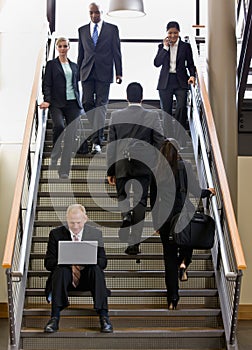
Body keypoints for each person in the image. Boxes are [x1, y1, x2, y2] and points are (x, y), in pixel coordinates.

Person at [155, 139, 215, 310]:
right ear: (178, 150)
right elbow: (195, 191)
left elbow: (154, 201)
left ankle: (172, 299)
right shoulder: (185, 166)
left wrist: (157, 223)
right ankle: (184, 261)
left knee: (169, 259)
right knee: (188, 241)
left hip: (166, 220)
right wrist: (208, 192)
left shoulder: (157, 170)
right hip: (184, 216)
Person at [107, 82, 164, 255]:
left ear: (126, 97)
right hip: (144, 164)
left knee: (122, 195)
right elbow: (160, 141)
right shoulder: (152, 116)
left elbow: (111, 145)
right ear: (142, 98)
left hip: (122, 162)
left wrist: (111, 170)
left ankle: (125, 216)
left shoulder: (116, 115)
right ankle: (134, 244)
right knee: (140, 201)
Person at [44, 204, 113, 333]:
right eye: (71, 223)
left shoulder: (95, 233)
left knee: (96, 270)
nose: (75, 226)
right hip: (65, 279)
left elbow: (103, 262)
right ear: (66, 220)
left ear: (85, 219)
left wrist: (87, 260)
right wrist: (66, 261)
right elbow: (48, 263)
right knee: (60, 270)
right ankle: (54, 318)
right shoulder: (56, 234)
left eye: (78, 222)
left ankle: (104, 317)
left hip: (87, 278)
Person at [77, 2, 123, 154]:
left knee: (101, 105)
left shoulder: (112, 29)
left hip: (104, 72)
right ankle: (96, 132)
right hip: (87, 72)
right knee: (87, 102)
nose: (94, 15)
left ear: (102, 12)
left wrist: (119, 72)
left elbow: (117, 51)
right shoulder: (82, 30)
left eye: (96, 12)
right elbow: (81, 54)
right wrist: (77, 75)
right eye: (91, 13)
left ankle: (97, 139)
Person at [40, 37, 83, 179]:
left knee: (70, 137)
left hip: (73, 104)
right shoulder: (51, 65)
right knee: (59, 126)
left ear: (69, 47)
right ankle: (55, 152)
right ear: (57, 48)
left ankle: (64, 170)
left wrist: (80, 102)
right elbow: (47, 84)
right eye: (60, 46)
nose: (63, 49)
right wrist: (47, 100)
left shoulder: (74, 66)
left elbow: (76, 85)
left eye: (65, 46)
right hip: (57, 103)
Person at [154, 21, 196, 143]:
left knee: (181, 108)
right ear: (167, 33)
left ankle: (180, 139)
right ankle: (168, 140)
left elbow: (191, 64)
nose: (173, 36)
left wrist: (192, 76)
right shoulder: (162, 46)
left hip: (181, 81)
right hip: (165, 82)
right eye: (170, 33)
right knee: (166, 112)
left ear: (179, 33)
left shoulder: (185, 46)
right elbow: (157, 63)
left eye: (175, 33)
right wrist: (165, 48)